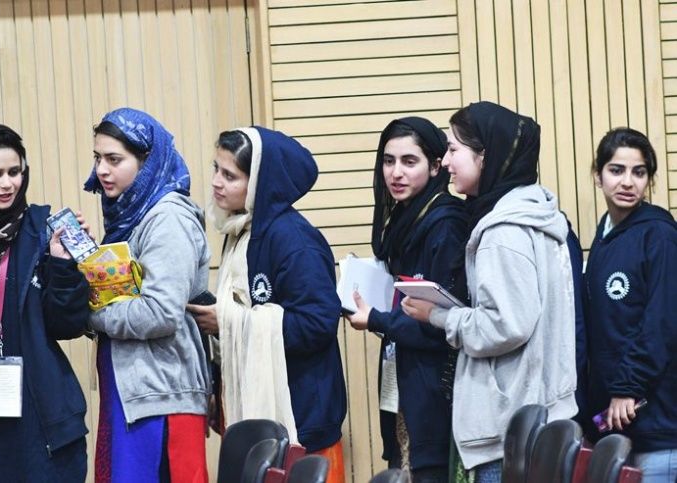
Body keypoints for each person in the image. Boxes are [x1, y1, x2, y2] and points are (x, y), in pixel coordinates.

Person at [401, 102, 578, 482]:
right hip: (535, 419)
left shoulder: (502, 232)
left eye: (454, 149)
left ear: (486, 156)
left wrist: (437, 315)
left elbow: (506, 326)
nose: (446, 162)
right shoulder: (535, 217)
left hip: (509, 428)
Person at [187, 127, 347, 481]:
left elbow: (319, 322)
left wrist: (229, 321)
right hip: (265, 425)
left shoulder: (294, 239)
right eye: (216, 169)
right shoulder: (240, 230)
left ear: (261, 182)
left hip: (303, 424)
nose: (216, 182)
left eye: (230, 176)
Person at [0, 124, 88, 481]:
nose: (7, 184)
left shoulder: (39, 232)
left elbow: (67, 324)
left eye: (14, 172)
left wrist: (61, 264)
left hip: (36, 417)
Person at [84, 108, 211, 482]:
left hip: (162, 401)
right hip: (138, 396)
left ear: (146, 161)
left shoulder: (167, 217)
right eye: (98, 158)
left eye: (114, 159)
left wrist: (92, 314)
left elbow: (161, 312)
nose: (102, 170)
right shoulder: (133, 213)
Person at [345, 117, 467, 482]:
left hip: (436, 393)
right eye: (388, 161)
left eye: (409, 162)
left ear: (434, 166)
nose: (395, 173)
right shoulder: (405, 221)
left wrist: (379, 320)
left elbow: (443, 325)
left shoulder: (445, 224)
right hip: (405, 383)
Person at [584, 127, 676, 482]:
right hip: (616, 426)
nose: (628, 182)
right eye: (616, 170)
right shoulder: (604, 238)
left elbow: (662, 323)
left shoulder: (660, 236)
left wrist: (627, 386)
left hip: (658, 430)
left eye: (639, 172)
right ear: (598, 175)